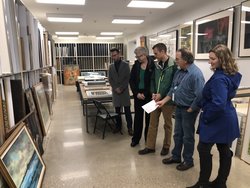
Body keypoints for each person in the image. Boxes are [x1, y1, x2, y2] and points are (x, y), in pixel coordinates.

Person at [187, 44, 242, 188]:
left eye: (212, 59)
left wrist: (206, 117)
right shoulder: (229, 74)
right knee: (224, 151)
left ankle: (203, 183)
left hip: (217, 118)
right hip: (226, 117)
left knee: (203, 149)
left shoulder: (219, 78)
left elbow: (218, 103)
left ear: (222, 59)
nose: (209, 62)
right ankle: (220, 183)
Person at [157, 48, 205, 171]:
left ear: (186, 60)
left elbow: (200, 95)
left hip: (188, 110)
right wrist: (163, 101)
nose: (175, 61)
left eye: (178, 59)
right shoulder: (179, 71)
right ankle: (176, 156)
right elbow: (173, 89)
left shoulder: (196, 74)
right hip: (178, 107)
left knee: (187, 137)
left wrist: (192, 108)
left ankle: (188, 161)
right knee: (178, 134)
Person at [138, 43, 177, 156]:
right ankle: (150, 146)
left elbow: (173, 84)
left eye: (156, 53)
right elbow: (153, 80)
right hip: (155, 99)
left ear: (162, 52)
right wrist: (153, 92)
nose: (154, 56)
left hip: (168, 101)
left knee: (167, 125)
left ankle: (166, 146)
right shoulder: (156, 64)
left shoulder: (173, 65)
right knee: (152, 123)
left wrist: (162, 94)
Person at [129, 47, 155, 147]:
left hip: (149, 96)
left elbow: (153, 81)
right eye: (137, 56)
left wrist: (146, 93)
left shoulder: (153, 65)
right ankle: (135, 139)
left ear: (146, 54)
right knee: (138, 119)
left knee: (149, 120)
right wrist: (137, 93)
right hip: (138, 96)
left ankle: (148, 140)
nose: (138, 58)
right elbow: (131, 81)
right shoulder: (136, 65)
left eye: (140, 56)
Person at [108, 47, 133, 135]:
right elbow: (110, 79)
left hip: (124, 91)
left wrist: (121, 88)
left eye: (115, 55)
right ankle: (118, 126)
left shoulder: (125, 65)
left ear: (119, 54)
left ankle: (130, 128)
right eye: (112, 56)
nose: (114, 57)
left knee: (127, 111)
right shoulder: (111, 67)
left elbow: (128, 78)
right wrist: (115, 88)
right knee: (117, 111)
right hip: (116, 92)